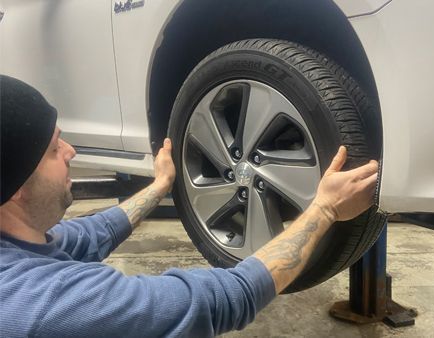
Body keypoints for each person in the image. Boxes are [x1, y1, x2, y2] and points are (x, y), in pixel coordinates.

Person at [0, 75, 379, 337]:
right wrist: (324, 209)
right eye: (53, 150)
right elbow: (220, 301)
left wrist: (160, 185)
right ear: (15, 189)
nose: (71, 152)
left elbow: (90, 234)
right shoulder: (42, 307)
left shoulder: (16, 242)